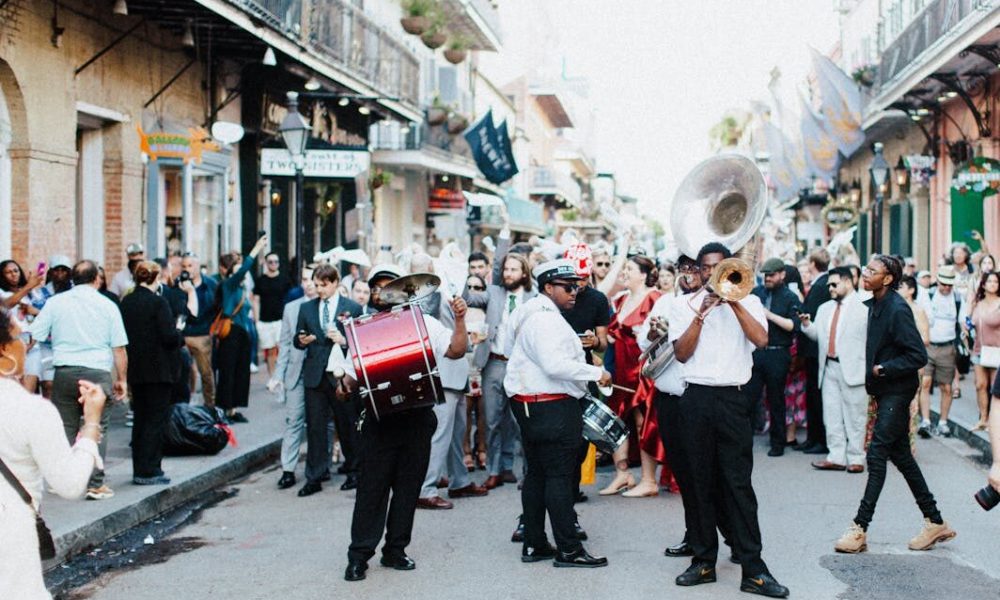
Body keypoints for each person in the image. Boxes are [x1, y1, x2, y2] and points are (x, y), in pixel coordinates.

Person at [667, 242, 788, 598]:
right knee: (700, 484)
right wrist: (701, 314)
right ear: (698, 270)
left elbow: (762, 339)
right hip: (696, 398)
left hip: (734, 398)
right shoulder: (681, 304)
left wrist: (732, 300)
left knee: (738, 486)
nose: (711, 273)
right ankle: (704, 561)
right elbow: (683, 353)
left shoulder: (748, 300)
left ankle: (754, 569)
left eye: (718, 266)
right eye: (706, 268)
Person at [334, 265, 469, 582]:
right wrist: (343, 389)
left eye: (388, 287)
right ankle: (358, 557)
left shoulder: (424, 323)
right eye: (376, 288)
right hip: (379, 422)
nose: (382, 293)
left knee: (408, 491)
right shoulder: (361, 329)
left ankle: (395, 550)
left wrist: (460, 319)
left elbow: (456, 349)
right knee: (371, 491)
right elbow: (350, 379)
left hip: (417, 418)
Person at [834, 255, 955, 555]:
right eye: (865, 269)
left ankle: (859, 528)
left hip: (897, 391)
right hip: (884, 392)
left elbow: (918, 356)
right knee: (901, 456)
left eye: (872, 271)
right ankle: (935, 521)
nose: (865, 274)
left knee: (876, 456)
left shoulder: (898, 309)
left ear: (887, 279)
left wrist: (883, 368)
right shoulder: (874, 303)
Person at [502, 259, 611, 568]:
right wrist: (595, 372)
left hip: (529, 403)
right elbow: (554, 365)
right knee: (560, 478)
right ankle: (569, 549)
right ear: (549, 287)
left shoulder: (527, 310)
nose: (574, 292)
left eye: (576, 286)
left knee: (537, 475)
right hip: (550, 405)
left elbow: (507, 345)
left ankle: (535, 544)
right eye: (568, 287)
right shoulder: (547, 319)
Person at [0, 334, 107, 600]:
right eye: (19, 336)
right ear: (5, 353)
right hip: (10, 533)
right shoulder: (29, 409)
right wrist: (91, 424)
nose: (26, 343)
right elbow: (69, 484)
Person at [29, 259, 127, 501]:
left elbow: (36, 333)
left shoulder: (55, 302)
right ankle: (95, 484)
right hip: (97, 371)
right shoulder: (107, 305)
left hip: (64, 370)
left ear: (73, 279)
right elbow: (119, 349)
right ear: (97, 279)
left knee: (66, 426)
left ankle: (62, 480)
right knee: (97, 426)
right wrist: (122, 379)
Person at [464, 252, 536, 489]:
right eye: (506, 269)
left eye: (514, 270)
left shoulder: (533, 297)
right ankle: (496, 470)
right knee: (493, 420)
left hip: (521, 365)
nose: (508, 274)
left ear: (523, 273)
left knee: (520, 422)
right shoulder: (494, 292)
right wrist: (468, 279)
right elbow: (469, 300)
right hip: (493, 362)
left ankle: (527, 473)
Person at [293, 263, 364, 496]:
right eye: (316, 285)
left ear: (335, 283)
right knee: (315, 427)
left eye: (324, 285)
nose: (319, 290)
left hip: (340, 374)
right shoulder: (306, 309)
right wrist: (302, 340)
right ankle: (314, 475)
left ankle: (354, 470)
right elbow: (298, 337)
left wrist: (343, 341)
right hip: (315, 374)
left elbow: (361, 341)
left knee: (347, 423)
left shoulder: (352, 308)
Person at [417, 291, 490, 510]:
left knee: (456, 433)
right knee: (440, 435)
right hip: (442, 373)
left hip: (457, 374)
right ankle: (425, 489)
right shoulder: (432, 296)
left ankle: (459, 480)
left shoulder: (452, 293)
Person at [601, 255, 663, 497]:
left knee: (642, 422)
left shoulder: (655, 298)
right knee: (616, 423)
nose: (624, 272)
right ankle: (623, 474)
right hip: (619, 370)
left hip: (643, 372)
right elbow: (611, 334)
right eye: (624, 268)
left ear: (644, 274)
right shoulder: (622, 299)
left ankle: (649, 480)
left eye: (629, 268)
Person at [119, 261, 184, 485]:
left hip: (136, 368)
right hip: (159, 369)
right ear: (156, 278)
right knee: (155, 420)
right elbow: (168, 337)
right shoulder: (158, 302)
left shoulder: (126, 302)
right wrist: (179, 332)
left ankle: (139, 468)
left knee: (140, 418)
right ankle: (150, 469)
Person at [800, 267, 869, 473]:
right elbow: (819, 336)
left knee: (855, 416)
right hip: (828, 367)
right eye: (829, 284)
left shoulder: (864, 308)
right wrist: (806, 325)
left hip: (854, 369)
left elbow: (871, 342)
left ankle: (856, 458)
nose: (830, 288)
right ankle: (836, 456)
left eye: (834, 284)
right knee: (831, 414)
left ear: (848, 282)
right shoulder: (824, 309)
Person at [745, 258, 802, 457]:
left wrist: (768, 314)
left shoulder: (790, 297)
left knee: (775, 399)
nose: (767, 278)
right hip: (757, 352)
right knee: (749, 397)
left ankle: (777, 442)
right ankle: (745, 438)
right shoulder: (757, 293)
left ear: (782, 275)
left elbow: (794, 326)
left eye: (771, 275)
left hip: (778, 352)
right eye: (765, 275)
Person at [270, 266, 317, 490]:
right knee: (294, 420)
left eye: (311, 279)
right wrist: (278, 375)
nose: (307, 284)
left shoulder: (327, 305)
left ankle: (320, 466)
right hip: (296, 372)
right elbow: (285, 345)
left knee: (321, 422)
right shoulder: (291, 308)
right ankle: (287, 469)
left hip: (319, 371)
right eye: (304, 279)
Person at [215, 236, 268, 423]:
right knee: (228, 371)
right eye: (237, 269)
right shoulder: (228, 285)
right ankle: (223, 409)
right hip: (231, 332)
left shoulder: (240, 287)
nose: (242, 272)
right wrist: (256, 248)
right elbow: (245, 268)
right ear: (230, 271)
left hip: (243, 332)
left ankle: (233, 409)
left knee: (241, 372)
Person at [916, 266, 962, 437]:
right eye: (943, 284)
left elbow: (963, 319)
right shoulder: (927, 295)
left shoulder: (957, 297)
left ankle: (943, 421)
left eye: (950, 284)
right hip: (928, 346)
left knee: (946, 387)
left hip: (947, 347)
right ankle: (926, 420)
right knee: (925, 383)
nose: (946, 287)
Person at [796, 248, 832, 456]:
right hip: (812, 348)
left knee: (816, 395)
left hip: (814, 348)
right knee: (812, 395)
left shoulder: (820, 286)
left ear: (812, 264)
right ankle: (813, 437)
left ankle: (818, 438)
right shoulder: (820, 284)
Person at [29, 255, 74, 398]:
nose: (60, 274)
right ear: (51, 272)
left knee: (70, 387)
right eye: (56, 270)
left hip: (71, 345)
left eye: (64, 270)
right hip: (46, 346)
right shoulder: (40, 294)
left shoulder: (76, 293)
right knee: (48, 385)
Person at [180, 253, 219, 408]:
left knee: (206, 373)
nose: (187, 269)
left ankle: (210, 405)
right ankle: (185, 403)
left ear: (197, 266)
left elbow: (217, 306)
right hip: (183, 334)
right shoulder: (179, 284)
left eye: (190, 265)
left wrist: (212, 328)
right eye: (184, 266)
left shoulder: (210, 284)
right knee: (184, 371)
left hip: (203, 333)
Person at [0, 259, 44, 392]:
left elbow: (43, 316)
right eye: (8, 272)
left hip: (32, 345)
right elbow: (8, 303)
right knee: (13, 388)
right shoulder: (2, 292)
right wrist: (29, 286)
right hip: (11, 346)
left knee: (28, 391)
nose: (13, 274)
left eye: (16, 270)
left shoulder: (32, 293)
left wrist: (35, 311)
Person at [253, 252, 292, 377]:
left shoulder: (285, 280)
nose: (273, 264)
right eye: (270, 262)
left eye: (276, 262)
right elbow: (256, 300)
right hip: (265, 320)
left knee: (282, 348)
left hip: (281, 320)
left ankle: (282, 375)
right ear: (266, 263)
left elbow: (290, 300)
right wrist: (257, 320)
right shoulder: (260, 280)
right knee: (270, 350)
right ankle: (272, 377)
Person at [969, 271, 1000, 431]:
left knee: (995, 387)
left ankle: (995, 421)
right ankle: (983, 419)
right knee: (980, 385)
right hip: (978, 349)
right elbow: (970, 321)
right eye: (990, 281)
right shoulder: (978, 303)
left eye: (996, 281)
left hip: (996, 351)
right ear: (984, 284)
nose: (993, 284)